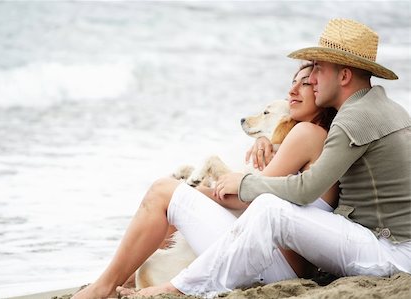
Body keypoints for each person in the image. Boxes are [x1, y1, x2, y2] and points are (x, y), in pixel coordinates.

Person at [120, 18, 411, 298]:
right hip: (389, 245)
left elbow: (306, 189)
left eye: (319, 70)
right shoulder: (383, 108)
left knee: (271, 210)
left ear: (345, 75)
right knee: (269, 209)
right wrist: (267, 140)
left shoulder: (355, 119)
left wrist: (244, 183)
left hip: (387, 252)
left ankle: (179, 288)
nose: (312, 78)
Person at [72, 61, 339, 299]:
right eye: (292, 84)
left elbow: (249, 198)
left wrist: (195, 192)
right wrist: (264, 139)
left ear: (320, 93)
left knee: (162, 192)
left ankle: (104, 287)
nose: (293, 91)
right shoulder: (317, 137)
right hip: (274, 259)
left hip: (268, 263)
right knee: (173, 207)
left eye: (306, 85)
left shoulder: (307, 133)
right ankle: (121, 280)